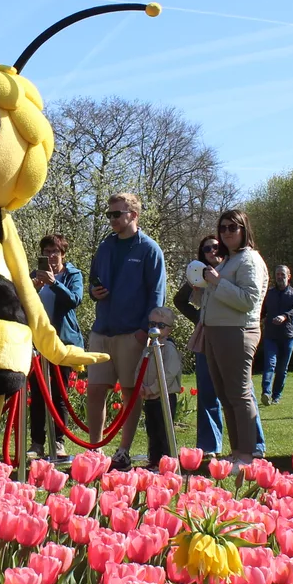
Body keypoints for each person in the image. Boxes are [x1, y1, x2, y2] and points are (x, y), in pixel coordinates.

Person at [87, 193, 167, 470]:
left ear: (133, 215)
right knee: (95, 390)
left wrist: (145, 331)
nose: (112, 219)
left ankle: (123, 452)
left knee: (130, 394)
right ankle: (95, 449)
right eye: (109, 214)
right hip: (102, 330)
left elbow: (157, 294)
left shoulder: (149, 249)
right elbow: (93, 279)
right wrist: (94, 291)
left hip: (132, 333)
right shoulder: (105, 246)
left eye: (116, 214)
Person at [200, 209, 267, 462]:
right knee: (225, 396)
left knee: (239, 395)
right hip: (216, 332)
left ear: (244, 229)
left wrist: (217, 282)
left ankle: (248, 454)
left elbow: (249, 300)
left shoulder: (249, 259)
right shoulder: (229, 259)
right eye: (223, 228)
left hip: (237, 332)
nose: (226, 232)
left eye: (232, 227)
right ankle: (237, 451)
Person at [30, 233, 83, 460]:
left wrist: (54, 283)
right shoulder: (34, 275)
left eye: (55, 252)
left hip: (62, 342)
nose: (51, 256)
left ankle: (58, 442)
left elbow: (74, 300)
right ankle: (37, 443)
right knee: (38, 394)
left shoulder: (72, 275)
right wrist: (34, 287)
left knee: (60, 394)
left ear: (63, 254)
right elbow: (22, 302)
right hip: (38, 343)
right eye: (47, 252)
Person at [174, 234, 227, 453]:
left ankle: (250, 446)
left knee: (237, 393)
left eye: (215, 247)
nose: (212, 251)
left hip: (230, 335)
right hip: (205, 336)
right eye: (206, 249)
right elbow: (179, 300)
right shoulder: (199, 277)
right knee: (206, 392)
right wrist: (198, 318)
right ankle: (209, 445)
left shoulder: (232, 271)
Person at [139, 306, 184, 465]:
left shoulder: (169, 348)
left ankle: (168, 460)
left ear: (169, 329)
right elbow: (140, 367)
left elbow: (168, 374)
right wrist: (141, 385)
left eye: (161, 326)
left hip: (164, 396)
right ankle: (154, 459)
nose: (155, 329)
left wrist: (152, 388)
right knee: (152, 429)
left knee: (164, 430)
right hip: (150, 396)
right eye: (152, 324)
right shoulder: (149, 347)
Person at [260, 265, 293, 406]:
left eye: (282, 274)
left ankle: (276, 396)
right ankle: (266, 393)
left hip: (288, 336)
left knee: (282, 368)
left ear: (288, 276)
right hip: (270, 335)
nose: (279, 277)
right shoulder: (269, 294)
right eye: (277, 274)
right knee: (269, 364)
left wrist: (284, 316)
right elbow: (262, 312)